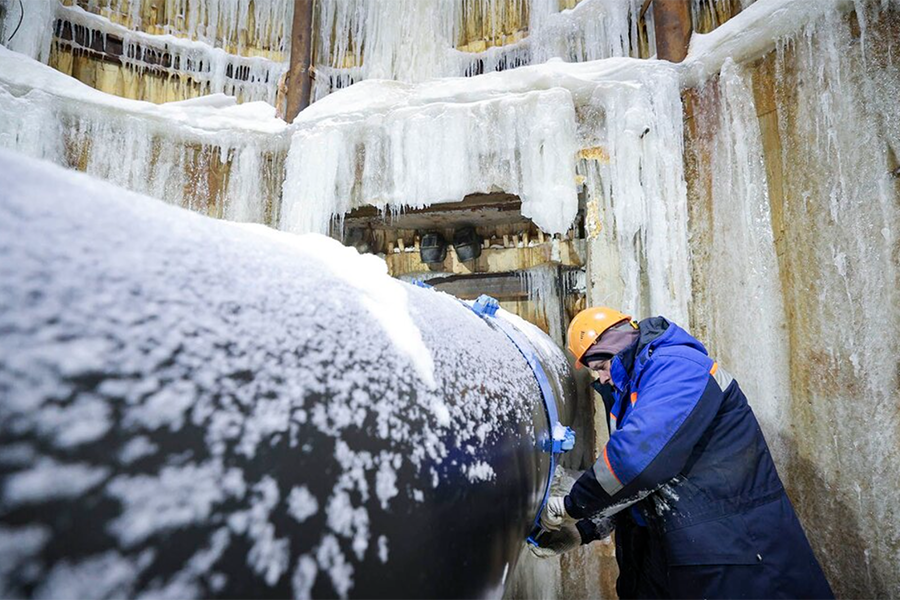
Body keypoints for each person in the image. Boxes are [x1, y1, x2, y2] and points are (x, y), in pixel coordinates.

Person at [531, 307, 833, 599]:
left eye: (599, 367)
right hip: (683, 549)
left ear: (613, 347)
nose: (600, 379)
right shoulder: (636, 388)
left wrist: (572, 506)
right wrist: (585, 528)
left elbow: (637, 461)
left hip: (733, 548)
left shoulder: (678, 368)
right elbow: (641, 487)